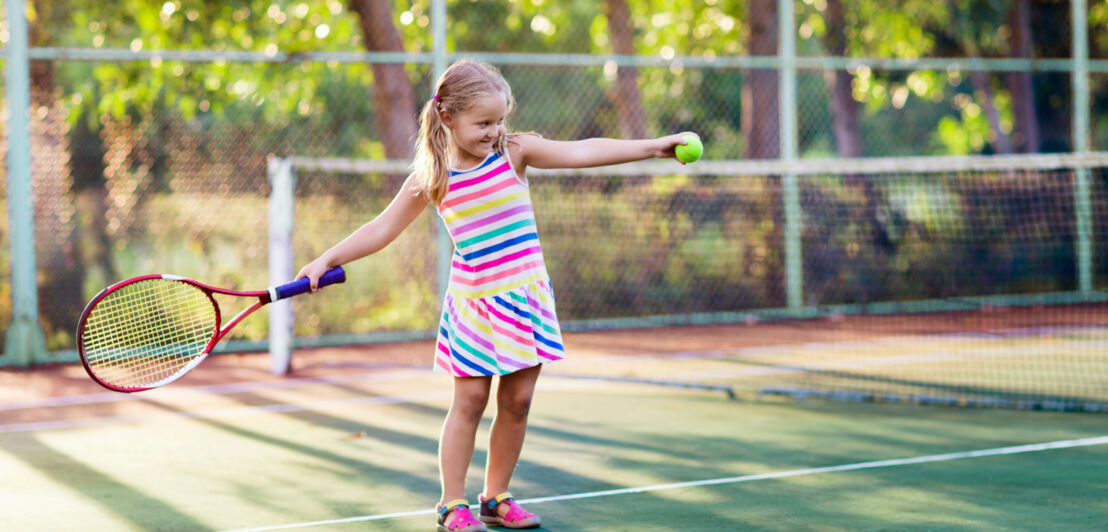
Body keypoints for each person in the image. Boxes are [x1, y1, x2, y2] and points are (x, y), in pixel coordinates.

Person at [296, 60, 698, 532]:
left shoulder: (514, 151)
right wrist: (326, 258)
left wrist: (653, 148)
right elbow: (382, 228)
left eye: (500, 119)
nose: (494, 130)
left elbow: (583, 150)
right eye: (483, 122)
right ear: (447, 118)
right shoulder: (434, 175)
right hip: (475, 308)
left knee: (519, 402)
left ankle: (496, 496)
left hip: (524, 300)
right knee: (468, 402)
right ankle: (452, 502)